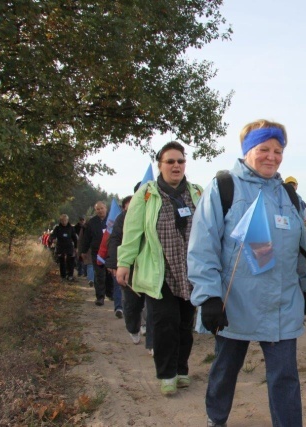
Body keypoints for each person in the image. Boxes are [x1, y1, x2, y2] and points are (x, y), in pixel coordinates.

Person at [188, 119, 306, 427]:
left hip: (282, 304)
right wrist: (209, 297)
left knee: (285, 376)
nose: (272, 156)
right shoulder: (223, 187)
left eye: (278, 150)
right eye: (264, 149)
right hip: (236, 303)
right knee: (225, 370)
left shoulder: (290, 196)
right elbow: (203, 246)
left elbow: (299, 249)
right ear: (247, 151)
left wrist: (303, 287)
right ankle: (216, 419)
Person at [116, 141, 203, 396]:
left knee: (185, 323)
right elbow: (132, 232)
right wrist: (123, 262)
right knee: (165, 322)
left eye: (180, 161)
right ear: (160, 165)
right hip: (159, 271)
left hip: (190, 271)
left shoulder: (197, 192)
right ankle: (166, 374)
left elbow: (210, 228)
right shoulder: (147, 193)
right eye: (170, 161)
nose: (176, 166)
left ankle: (182, 369)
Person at [107, 187, 153, 355]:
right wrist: (115, 264)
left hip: (152, 269)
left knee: (154, 307)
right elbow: (115, 239)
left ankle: (152, 342)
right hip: (131, 269)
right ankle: (133, 328)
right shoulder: (123, 218)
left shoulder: (159, 212)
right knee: (132, 306)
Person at [284, 175, 306, 322]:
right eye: (289, 184)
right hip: (287, 248)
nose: (292, 186)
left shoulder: (301, 202)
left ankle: (303, 311)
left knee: (302, 277)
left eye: (293, 184)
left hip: (300, 246)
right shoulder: (282, 200)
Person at [80, 201, 111, 305]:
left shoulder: (112, 220)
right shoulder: (92, 222)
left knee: (110, 274)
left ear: (105, 208)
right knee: (99, 274)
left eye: (101, 208)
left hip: (110, 252)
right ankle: (100, 297)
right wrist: (83, 251)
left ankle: (110, 293)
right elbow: (86, 238)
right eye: (98, 209)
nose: (100, 211)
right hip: (97, 252)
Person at [48, 214, 78, 281]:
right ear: (60, 221)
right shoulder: (57, 228)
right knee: (62, 261)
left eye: (65, 220)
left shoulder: (71, 228)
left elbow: (74, 238)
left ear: (67, 220)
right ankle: (63, 276)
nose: (64, 222)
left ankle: (70, 275)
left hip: (69, 246)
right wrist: (51, 239)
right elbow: (53, 235)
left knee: (70, 261)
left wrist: (76, 247)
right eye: (62, 220)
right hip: (60, 246)